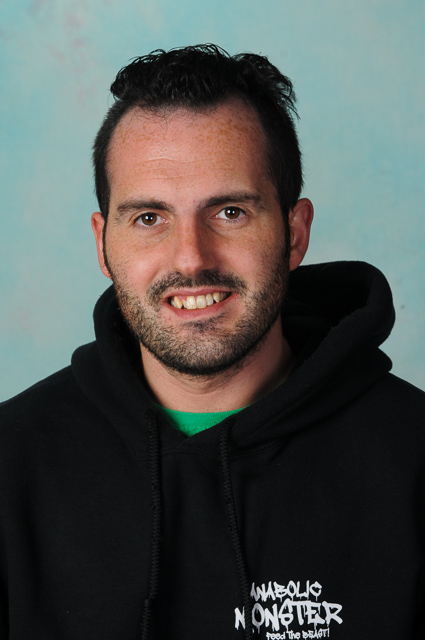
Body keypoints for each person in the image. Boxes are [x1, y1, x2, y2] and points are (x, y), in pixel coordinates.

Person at [0, 44, 424, 640]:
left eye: (229, 212)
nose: (191, 259)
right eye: (149, 218)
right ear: (103, 244)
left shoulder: (412, 458)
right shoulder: (11, 463)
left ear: (295, 233)